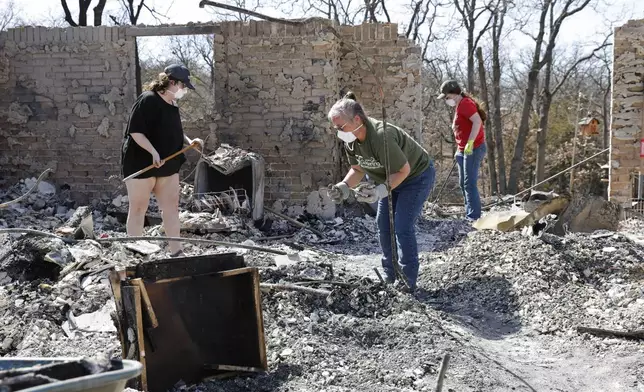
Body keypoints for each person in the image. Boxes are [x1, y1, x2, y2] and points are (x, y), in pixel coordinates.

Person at [326, 92, 435, 291]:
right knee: (383, 225)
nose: (338, 132)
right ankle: (390, 274)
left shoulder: (381, 136)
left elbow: (404, 170)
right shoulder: (351, 140)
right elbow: (358, 169)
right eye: (336, 128)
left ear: (357, 119)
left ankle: (407, 279)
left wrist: (380, 191)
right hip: (388, 179)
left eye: (341, 127)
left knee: (402, 225)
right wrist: (343, 186)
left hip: (415, 177)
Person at [120, 64, 203, 257]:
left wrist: (191, 141)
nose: (184, 90)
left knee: (171, 208)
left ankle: (177, 252)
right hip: (142, 163)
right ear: (171, 82)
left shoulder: (173, 104)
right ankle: (135, 254)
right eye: (183, 86)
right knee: (139, 208)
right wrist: (153, 152)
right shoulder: (148, 99)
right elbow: (136, 132)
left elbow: (174, 131)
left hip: (168, 164)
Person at [437, 80, 487, 221]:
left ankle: (474, 217)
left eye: (447, 97)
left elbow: (477, 122)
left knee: (469, 183)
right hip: (462, 149)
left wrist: (470, 143)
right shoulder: (459, 105)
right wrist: (459, 148)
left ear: (454, 94)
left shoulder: (465, 104)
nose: (446, 100)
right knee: (462, 183)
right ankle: (469, 212)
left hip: (473, 148)